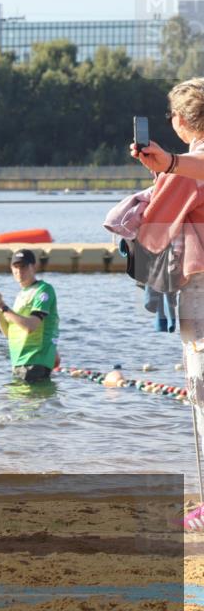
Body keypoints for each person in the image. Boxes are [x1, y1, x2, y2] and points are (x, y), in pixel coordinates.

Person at [129, 78, 204, 531]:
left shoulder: (189, 164)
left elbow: (153, 228)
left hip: (201, 283)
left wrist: (168, 169)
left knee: (201, 389)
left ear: (179, 120)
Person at [0, 249, 59, 383]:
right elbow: (8, 333)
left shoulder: (43, 290)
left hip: (34, 362)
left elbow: (31, 326)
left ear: (33, 267)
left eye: (23, 266)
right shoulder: (21, 295)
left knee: (27, 403)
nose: (19, 271)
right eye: (15, 267)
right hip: (19, 362)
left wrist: (3, 307)